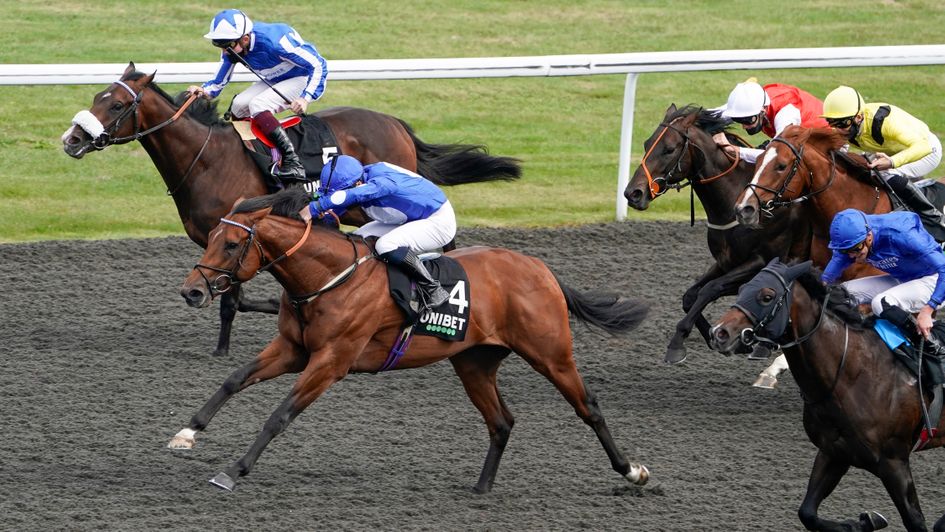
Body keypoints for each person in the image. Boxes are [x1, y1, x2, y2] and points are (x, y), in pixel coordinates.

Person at [188, 9, 328, 185]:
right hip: (276, 79)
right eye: (219, 45)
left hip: (302, 78)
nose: (224, 51)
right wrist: (204, 91)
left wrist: (305, 97)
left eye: (226, 45)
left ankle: (292, 161)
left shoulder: (277, 43)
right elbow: (219, 80)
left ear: (245, 39)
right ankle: (250, 154)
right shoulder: (234, 47)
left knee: (259, 104)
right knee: (238, 105)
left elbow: (318, 64)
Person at [299, 155, 456, 310]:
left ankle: (433, 289)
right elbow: (335, 210)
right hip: (411, 218)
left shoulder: (381, 182)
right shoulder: (357, 179)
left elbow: (353, 195)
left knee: (385, 245)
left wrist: (317, 207)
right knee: (358, 239)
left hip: (438, 220)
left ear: (358, 183)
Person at [821, 85, 945, 241]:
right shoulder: (849, 125)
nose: (837, 129)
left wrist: (892, 162)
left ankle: (934, 219)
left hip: (926, 151)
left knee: (888, 173)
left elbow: (923, 146)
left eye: (842, 124)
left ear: (858, 117)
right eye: (831, 123)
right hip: (891, 150)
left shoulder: (885, 122)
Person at [823, 208, 945, 345]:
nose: (851, 256)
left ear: (869, 236)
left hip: (934, 279)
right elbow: (825, 281)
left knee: (880, 303)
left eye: (855, 249)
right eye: (845, 251)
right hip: (903, 278)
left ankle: (931, 343)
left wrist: (928, 310)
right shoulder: (851, 241)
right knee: (840, 293)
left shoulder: (903, 234)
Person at [713, 78, 828, 164]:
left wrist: (735, 149)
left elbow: (775, 155)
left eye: (747, 120)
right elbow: (711, 115)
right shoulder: (751, 103)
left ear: (763, 111)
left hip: (825, 146)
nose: (743, 126)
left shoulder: (786, 114)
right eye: (738, 120)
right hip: (799, 138)